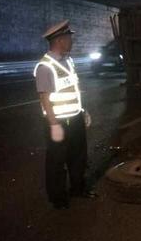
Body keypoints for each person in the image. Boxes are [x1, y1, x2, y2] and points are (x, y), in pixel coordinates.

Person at [34, 20, 96, 209]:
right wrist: (53, 124)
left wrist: (83, 111)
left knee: (78, 157)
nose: (72, 41)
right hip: (58, 122)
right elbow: (44, 98)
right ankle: (58, 199)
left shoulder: (68, 61)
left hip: (74, 117)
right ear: (59, 40)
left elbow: (74, 90)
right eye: (69, 38)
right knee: (56, 161)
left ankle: (78, 189)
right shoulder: (45, 67)